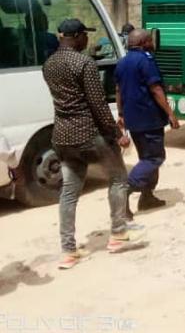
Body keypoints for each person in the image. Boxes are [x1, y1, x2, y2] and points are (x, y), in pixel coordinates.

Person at [42, 19, 140, 269]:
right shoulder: (83, 62)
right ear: (75, 36)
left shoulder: (48, 64)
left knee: (69, 193)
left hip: (63, 137)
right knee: (118, 177)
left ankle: (68, 251)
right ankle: (118, 233)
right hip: (88, 134)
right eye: (85, 35)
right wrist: (116, 133)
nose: (87, 39)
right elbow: (97, 104)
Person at [114, 29, 180, 218]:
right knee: (154, 158)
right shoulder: (146, 60)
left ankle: (147, 196)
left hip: (132, 119)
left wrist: (121, 113)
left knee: (146, 158)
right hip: (149, 118)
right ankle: (126, 189)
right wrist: (170, 113)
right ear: (143, 43)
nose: (152, 43)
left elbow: (118, 90)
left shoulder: (122, 62)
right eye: (150, 40)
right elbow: (156, 89)